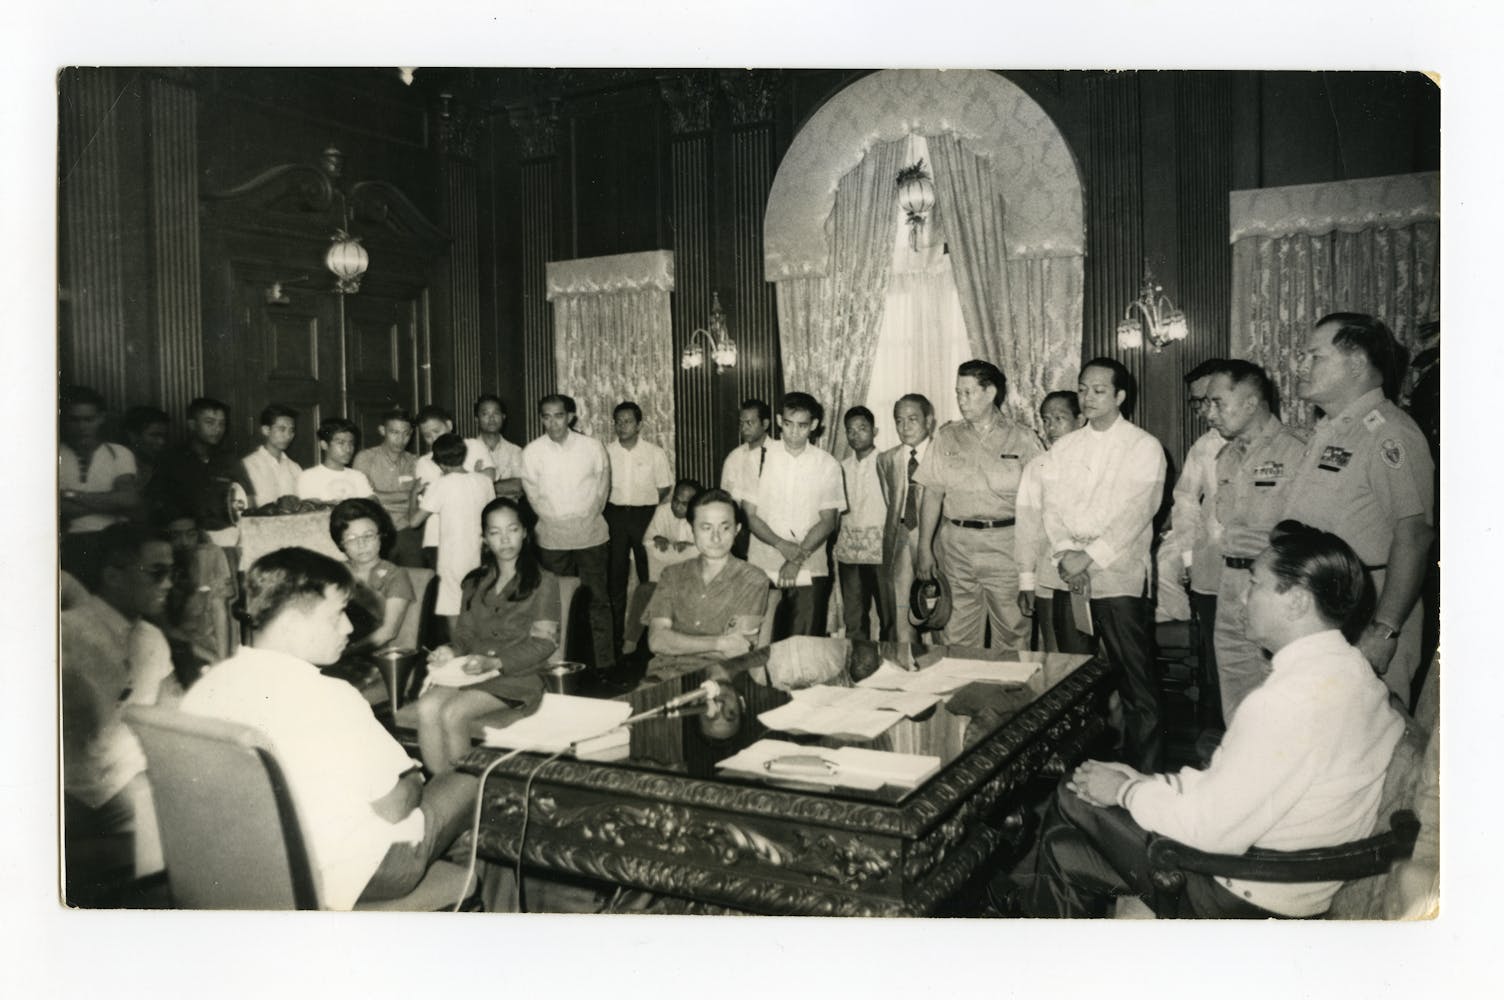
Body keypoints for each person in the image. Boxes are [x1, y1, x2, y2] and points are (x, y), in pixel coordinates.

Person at [1007, 522, 1404, 919]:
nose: (1242, 598)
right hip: (1285, 877)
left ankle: (1035, 934)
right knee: (1063, 843)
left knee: (1071, 792)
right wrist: (1142, 780)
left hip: (1244, 890)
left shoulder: (1286, 702)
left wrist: (1125, 791)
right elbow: (1238, 787)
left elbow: (1210, 830)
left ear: (1297, 601)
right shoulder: (1356, 675)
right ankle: (1037, 924)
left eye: (1256, 584)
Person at [181, 547, 478, 909]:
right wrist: (414, 780)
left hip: (250, 869)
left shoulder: (207, 688)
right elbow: (394, 808)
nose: (350, 627)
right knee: (473, 775)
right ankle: (475, 908)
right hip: (357, 872)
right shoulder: (331, 696)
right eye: (337, 615)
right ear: (291, 624)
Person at [1281, 312, 1435, 708]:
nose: (1301, 365)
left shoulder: (1390, 433)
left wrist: (1385, 630)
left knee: (1367, 738)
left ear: (1355, 364)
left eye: (1315, 357)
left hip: (1367, 608)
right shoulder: (1330, 430)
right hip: (1322, 606)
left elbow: (1414, 535)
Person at [1027, 358, 1167, 771]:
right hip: (1069, 574)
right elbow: (1051, 509)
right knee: (1075, 683)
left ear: (1121, 396)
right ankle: (1081, 777)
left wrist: (1090, 556)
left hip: (1118, 574)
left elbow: (1138, 512)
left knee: (1134, 683)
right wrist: (1068, 553)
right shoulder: (1065, 448)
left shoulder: (1144, 446)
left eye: (1099, 390)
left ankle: (1143, 778)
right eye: (1083, 389)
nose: (1087, 398)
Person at [61, 523, 179, 901]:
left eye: (172, 573)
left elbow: (169, 717)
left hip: (134, 786)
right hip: (73, 793)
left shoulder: (152, 638)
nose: (169, 584)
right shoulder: (64, 632)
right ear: (113, 575)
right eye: (157, 573)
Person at [415, 497, 558, 773]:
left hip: (518, 676)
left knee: (452, 713)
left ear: (525, 533)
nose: (505, 539)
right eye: (495, 532)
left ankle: (463, 796)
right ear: (484, 539)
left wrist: (494, 662)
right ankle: (444, 791)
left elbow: (544, 644)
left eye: (512, 529)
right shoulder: (474, 581)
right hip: (473, 670)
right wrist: (451, 650)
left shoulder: (544, 582)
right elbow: (465, 634)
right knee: (426, 707)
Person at [1203, 360, 1308, 722]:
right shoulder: (1225, 457)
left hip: (1276, 586)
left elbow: (1308, 533)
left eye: (1217, 402)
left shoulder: (1298, 451)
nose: (1208, 412)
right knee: (1234, 690)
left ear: (1250, 401)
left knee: (1278, 694)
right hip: (1232, 584)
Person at [913, 360, 1043, 651]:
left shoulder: (1022, 437)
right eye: (958, 392)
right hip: (957, 549)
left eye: (968, 392)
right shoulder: (947, 437)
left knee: (1012, 634)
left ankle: (1010, 696)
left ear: (991, 392)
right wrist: (924, 549)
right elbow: (932, 493)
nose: (961, 400)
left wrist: (1031, 566)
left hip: (1006, 548)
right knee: (956, 637)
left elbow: (1039, 504)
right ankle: (961, 697)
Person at [519, 393, 614, 676]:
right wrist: (555, 520)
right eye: (546, 417)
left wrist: (586, 517)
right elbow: (532, 494)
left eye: (558, 415)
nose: (552, 422)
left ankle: (605, 666)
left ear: (570, 416)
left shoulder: (592, 446)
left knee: (598, 600)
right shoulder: (532, 451)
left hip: (591, 535)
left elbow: (602, 487)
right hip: (552, 537)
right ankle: (558, 662)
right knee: (555, 602)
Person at [744, 392, 845, 638]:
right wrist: (781, 545)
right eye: (788, 424)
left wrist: (795, 560)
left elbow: (828, 521)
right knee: (756, 646)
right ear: (779, 420)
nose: (794, 432)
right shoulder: (755, 459)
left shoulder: (827, 464)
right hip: (762, 564)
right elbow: (750, 515)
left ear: (814, 425)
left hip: (809, 566)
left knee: (802, 646)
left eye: (802, 426)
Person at [644, 488, 771, 682]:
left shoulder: (753, 579)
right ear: (692, 529)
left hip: (719, 681)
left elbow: (737, 649)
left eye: (725, 527)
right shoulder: (671, 575)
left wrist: (676, 642)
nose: (716, 538)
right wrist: (719, 642)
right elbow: (657, 640)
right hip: (661, 677)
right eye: (706, 527)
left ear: (737, 530)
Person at [1163, 359, 1228, 730]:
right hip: (1209, 569)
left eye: (1209, 400)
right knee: (1214, 661)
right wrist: (1189, 559)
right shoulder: (1203, 447)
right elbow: (1185, 503)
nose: (1204, 411)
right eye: (1197, 403)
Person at [1015, 390, 1084, 652]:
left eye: (1059, 418)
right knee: (1054, 656)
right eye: (1045, 420)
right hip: (1049, 576)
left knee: (1093, 660)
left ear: (1080, 420)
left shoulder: (1097, 463)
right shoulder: (1037, 467)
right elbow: (1026, 528)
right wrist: (1026, 582)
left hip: (1091, 573)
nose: (1051, 427)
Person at [604, 400, 675, 654]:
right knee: (616, 576)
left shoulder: (654, 453)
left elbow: (664, 487)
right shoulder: (606, 452)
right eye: (618, 421)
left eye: (628, 421)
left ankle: (647, 637)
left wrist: (647, 508)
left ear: (639, 424)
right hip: (614, 515)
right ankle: (615, 637)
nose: (622, 426)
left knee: (649, 577)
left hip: (645, 516)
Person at [412, 433, 495, 627]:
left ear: (440, 463)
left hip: (453, 555)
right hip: (481, 552)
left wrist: (412, 494)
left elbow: (414, 522)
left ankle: (459, 651)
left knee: (453, 606)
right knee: (481, 603)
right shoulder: (484, 482)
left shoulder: (440, 484)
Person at [59, 386, 140, 579]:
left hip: (115, 541)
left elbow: (128, 500)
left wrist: (71, 495)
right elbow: (52, 509)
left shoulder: (118, 453)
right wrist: (110, 502)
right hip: (70, 543)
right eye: (74, 420)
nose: (82, 427)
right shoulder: (53, 454)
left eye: (88, 419)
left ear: (101, 418)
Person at [877, 393, 937, 643]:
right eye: (899, 421)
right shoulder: (886, 459)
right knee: (902, 613)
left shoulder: (941, 454)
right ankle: (907, 665)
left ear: (929, 421)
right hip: (900, 537)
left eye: (913, 419)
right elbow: (891, 501)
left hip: (935, 540)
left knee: (940, 612)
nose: (905, 427)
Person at [329, 497, 416, 656]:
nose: (361, 544)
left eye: (368, 536)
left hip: (376, 656)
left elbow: (388, 632)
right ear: (341, 544)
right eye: (351, 538)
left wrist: (345, 654)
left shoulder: (395, 576)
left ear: (381, 536)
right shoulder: (335, 572)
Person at [148, 396, 241, 544]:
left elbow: (241, 500)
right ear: (192, 424)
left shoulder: (228, 460)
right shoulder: (171, 459)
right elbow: (158, 501)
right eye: (209, 422)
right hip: (187, 540)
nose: (217, 429)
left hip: (227, 536)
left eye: (222, 424)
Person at [627, 478, 702, 654]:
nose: (677, 506)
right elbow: (647, 540)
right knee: (644, 590)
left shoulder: (703, 517)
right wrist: (657, 538)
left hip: (693, 584)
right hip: (663, 580)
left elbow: (707, 550)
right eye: (675, 500)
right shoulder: (662, 511)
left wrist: (690, 546)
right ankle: (629, 645)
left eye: (684, 503)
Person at [415, 404, 494, 567]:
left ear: (449, 425)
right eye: (427, 436)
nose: (434, 439)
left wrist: (453, 479)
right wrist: (473, 473)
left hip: (474, 535)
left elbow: (490, 476)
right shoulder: (424, 462)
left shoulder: (474, 445)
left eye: (436, 431)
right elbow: (430, 494)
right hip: (437, 538)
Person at [834, 405, 889, 640]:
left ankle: (893, 668)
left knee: (889, 617)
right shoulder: (840, 468)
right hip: (849, 554)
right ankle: (857, 667)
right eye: (850, 430)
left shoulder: (887, 463)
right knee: (854, 619)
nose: (855, 435)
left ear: (874, 431)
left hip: (882, 552)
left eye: (862, 428)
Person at [352, 408, 423, 567]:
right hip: (376, 531)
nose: (401, 439)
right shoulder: (365, 458)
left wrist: (379, 496)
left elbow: (421, 500)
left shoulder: (416, 462)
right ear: (382, 430)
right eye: (394, 432)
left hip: (408, 532)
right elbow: (365, 499)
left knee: (414, 581)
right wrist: (409, 495)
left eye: (406, 433)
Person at [720, 398, 772, 560]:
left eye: (750, 423)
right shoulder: (734, 458)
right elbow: (725, 498)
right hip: (741, 533)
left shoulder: (778, 455)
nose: (743, 428)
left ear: (765, 424)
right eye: (741, 423)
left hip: (771, 531)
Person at [296, 417, 375, 502]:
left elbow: (372, 504)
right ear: (324, 445)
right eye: (341, 443)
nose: (348, 449)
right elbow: (311, 510)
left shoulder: (358, 476)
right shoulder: (308, 477)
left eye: (351, 443)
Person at [239, 403, 302, 508]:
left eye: (291, 430)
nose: (288, 435)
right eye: (282, 429)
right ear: (266, 430)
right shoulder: (248, 465)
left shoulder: (295, 468)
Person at [467, 394, 524, 499]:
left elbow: (518, 485)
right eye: (485, 414)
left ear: (503, 417)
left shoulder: (515, 451)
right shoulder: (467, 450)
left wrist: (481, 485)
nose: (491, 418)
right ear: (476, 419)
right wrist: (503, 487)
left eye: (496, 413)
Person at [122, 405, 170, 499]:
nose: (162, 442)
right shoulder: (119, 465)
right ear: (133, 436)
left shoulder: (162, 464)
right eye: (154, 435)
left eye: (164, 436)